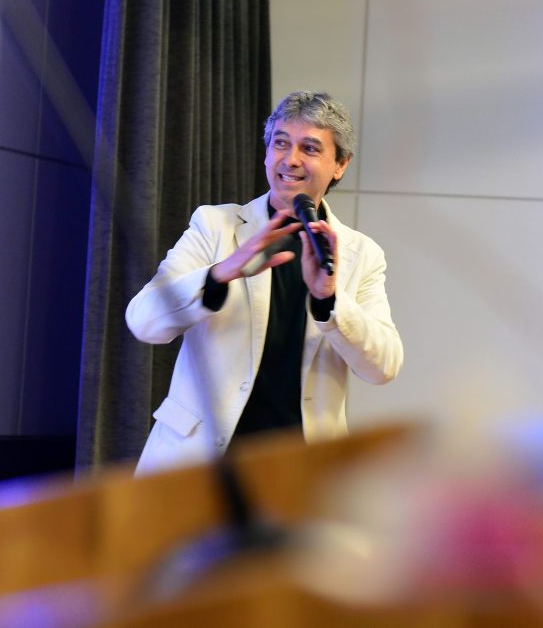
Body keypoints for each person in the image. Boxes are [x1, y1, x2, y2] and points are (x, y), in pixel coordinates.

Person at [126, 90, 403, 475]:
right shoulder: (216, 226)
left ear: (340, 164)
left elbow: (383, 366)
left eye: (310, 148)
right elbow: (144, 322)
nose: (291, 159)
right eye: (280, 143)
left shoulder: (360, 254)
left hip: (301, 471)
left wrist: (329, 300)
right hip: (199, 462)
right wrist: (223, 272)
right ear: (267, 153)